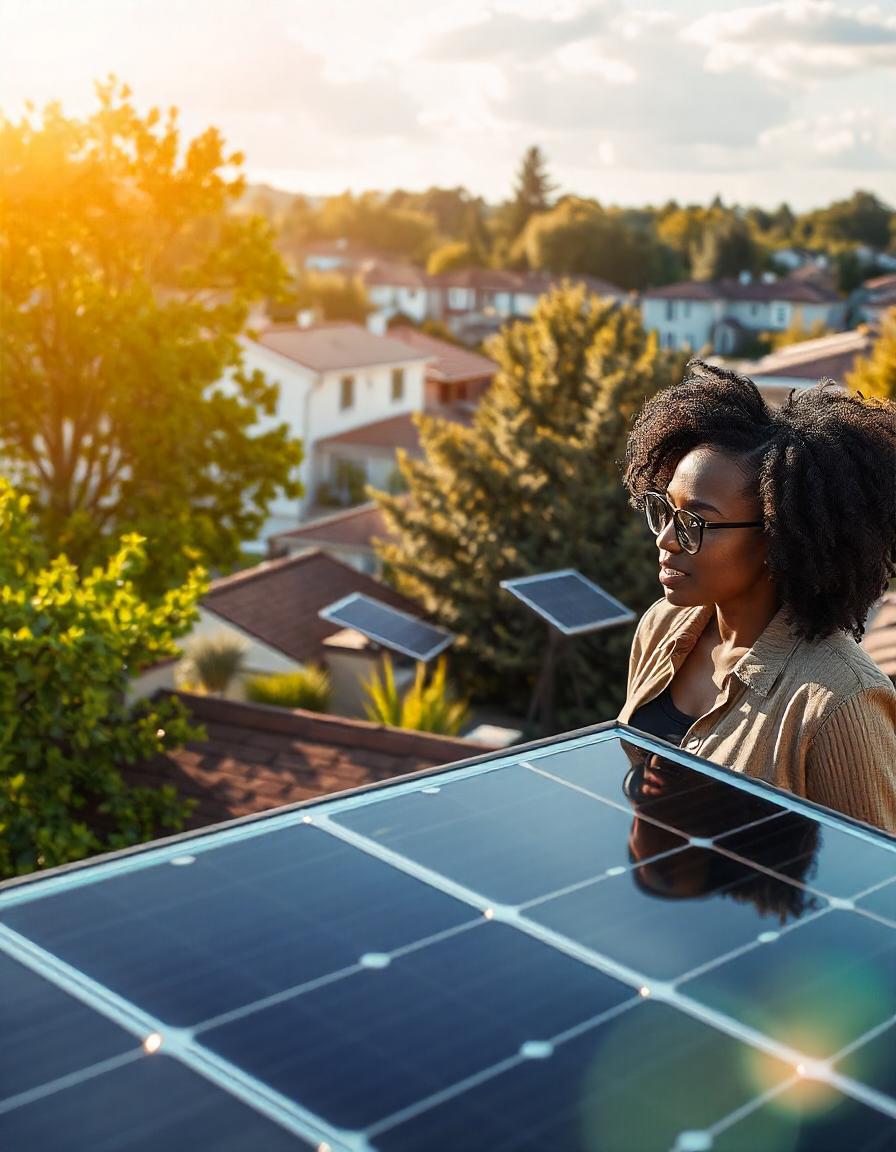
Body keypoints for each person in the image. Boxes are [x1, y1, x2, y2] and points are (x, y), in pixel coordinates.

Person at [617, 359, 896, 833]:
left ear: (778, 537)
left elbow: (875, 888)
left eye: (693, 524)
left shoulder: (841, 702)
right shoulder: (662, 626)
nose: (664, 538)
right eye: (663, 511)